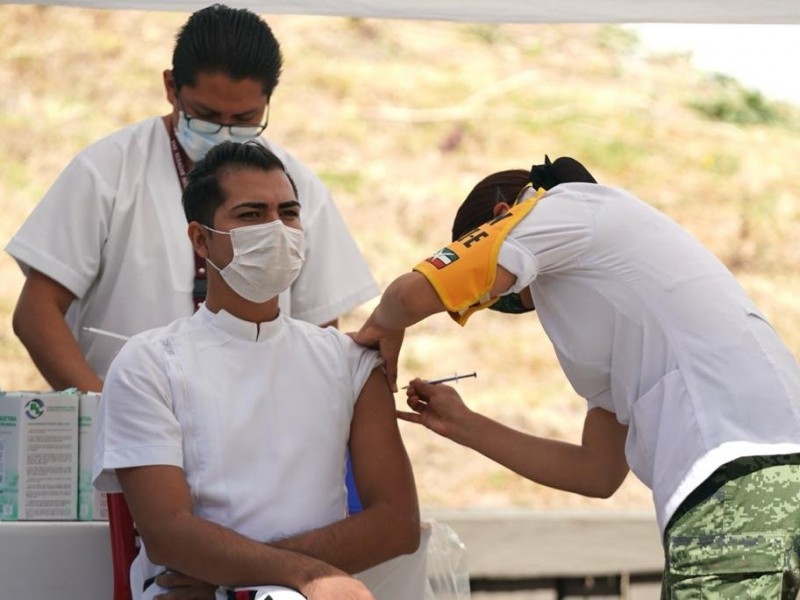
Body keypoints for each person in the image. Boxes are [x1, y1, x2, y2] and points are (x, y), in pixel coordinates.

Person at [352, 156, 800, 598]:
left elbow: (411, 296)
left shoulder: (559, 210)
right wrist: (464, 426)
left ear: (500, 218)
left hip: (732, 476)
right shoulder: (609, 281)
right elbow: (598, 472)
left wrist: (380, 328)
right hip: (768, 473)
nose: (502, 296)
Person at [93, 141, 422, 600]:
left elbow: (397, 524)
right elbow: (168, 532)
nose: (276, 229)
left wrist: (245, 575)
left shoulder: (350, 362)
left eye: (288, 213)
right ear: (201, 240)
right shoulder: (148, 363)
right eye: (251, 215)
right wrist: (307, 575)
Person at [6, 3, 378, 393]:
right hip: (125, 420)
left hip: (254, 424)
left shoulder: (294, 187)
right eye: (206, 116)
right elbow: (36, 314)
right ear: (171, 88)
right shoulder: (107, 172)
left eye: (245, 119)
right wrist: (106, 416)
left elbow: (318, 327)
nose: (225, 131)